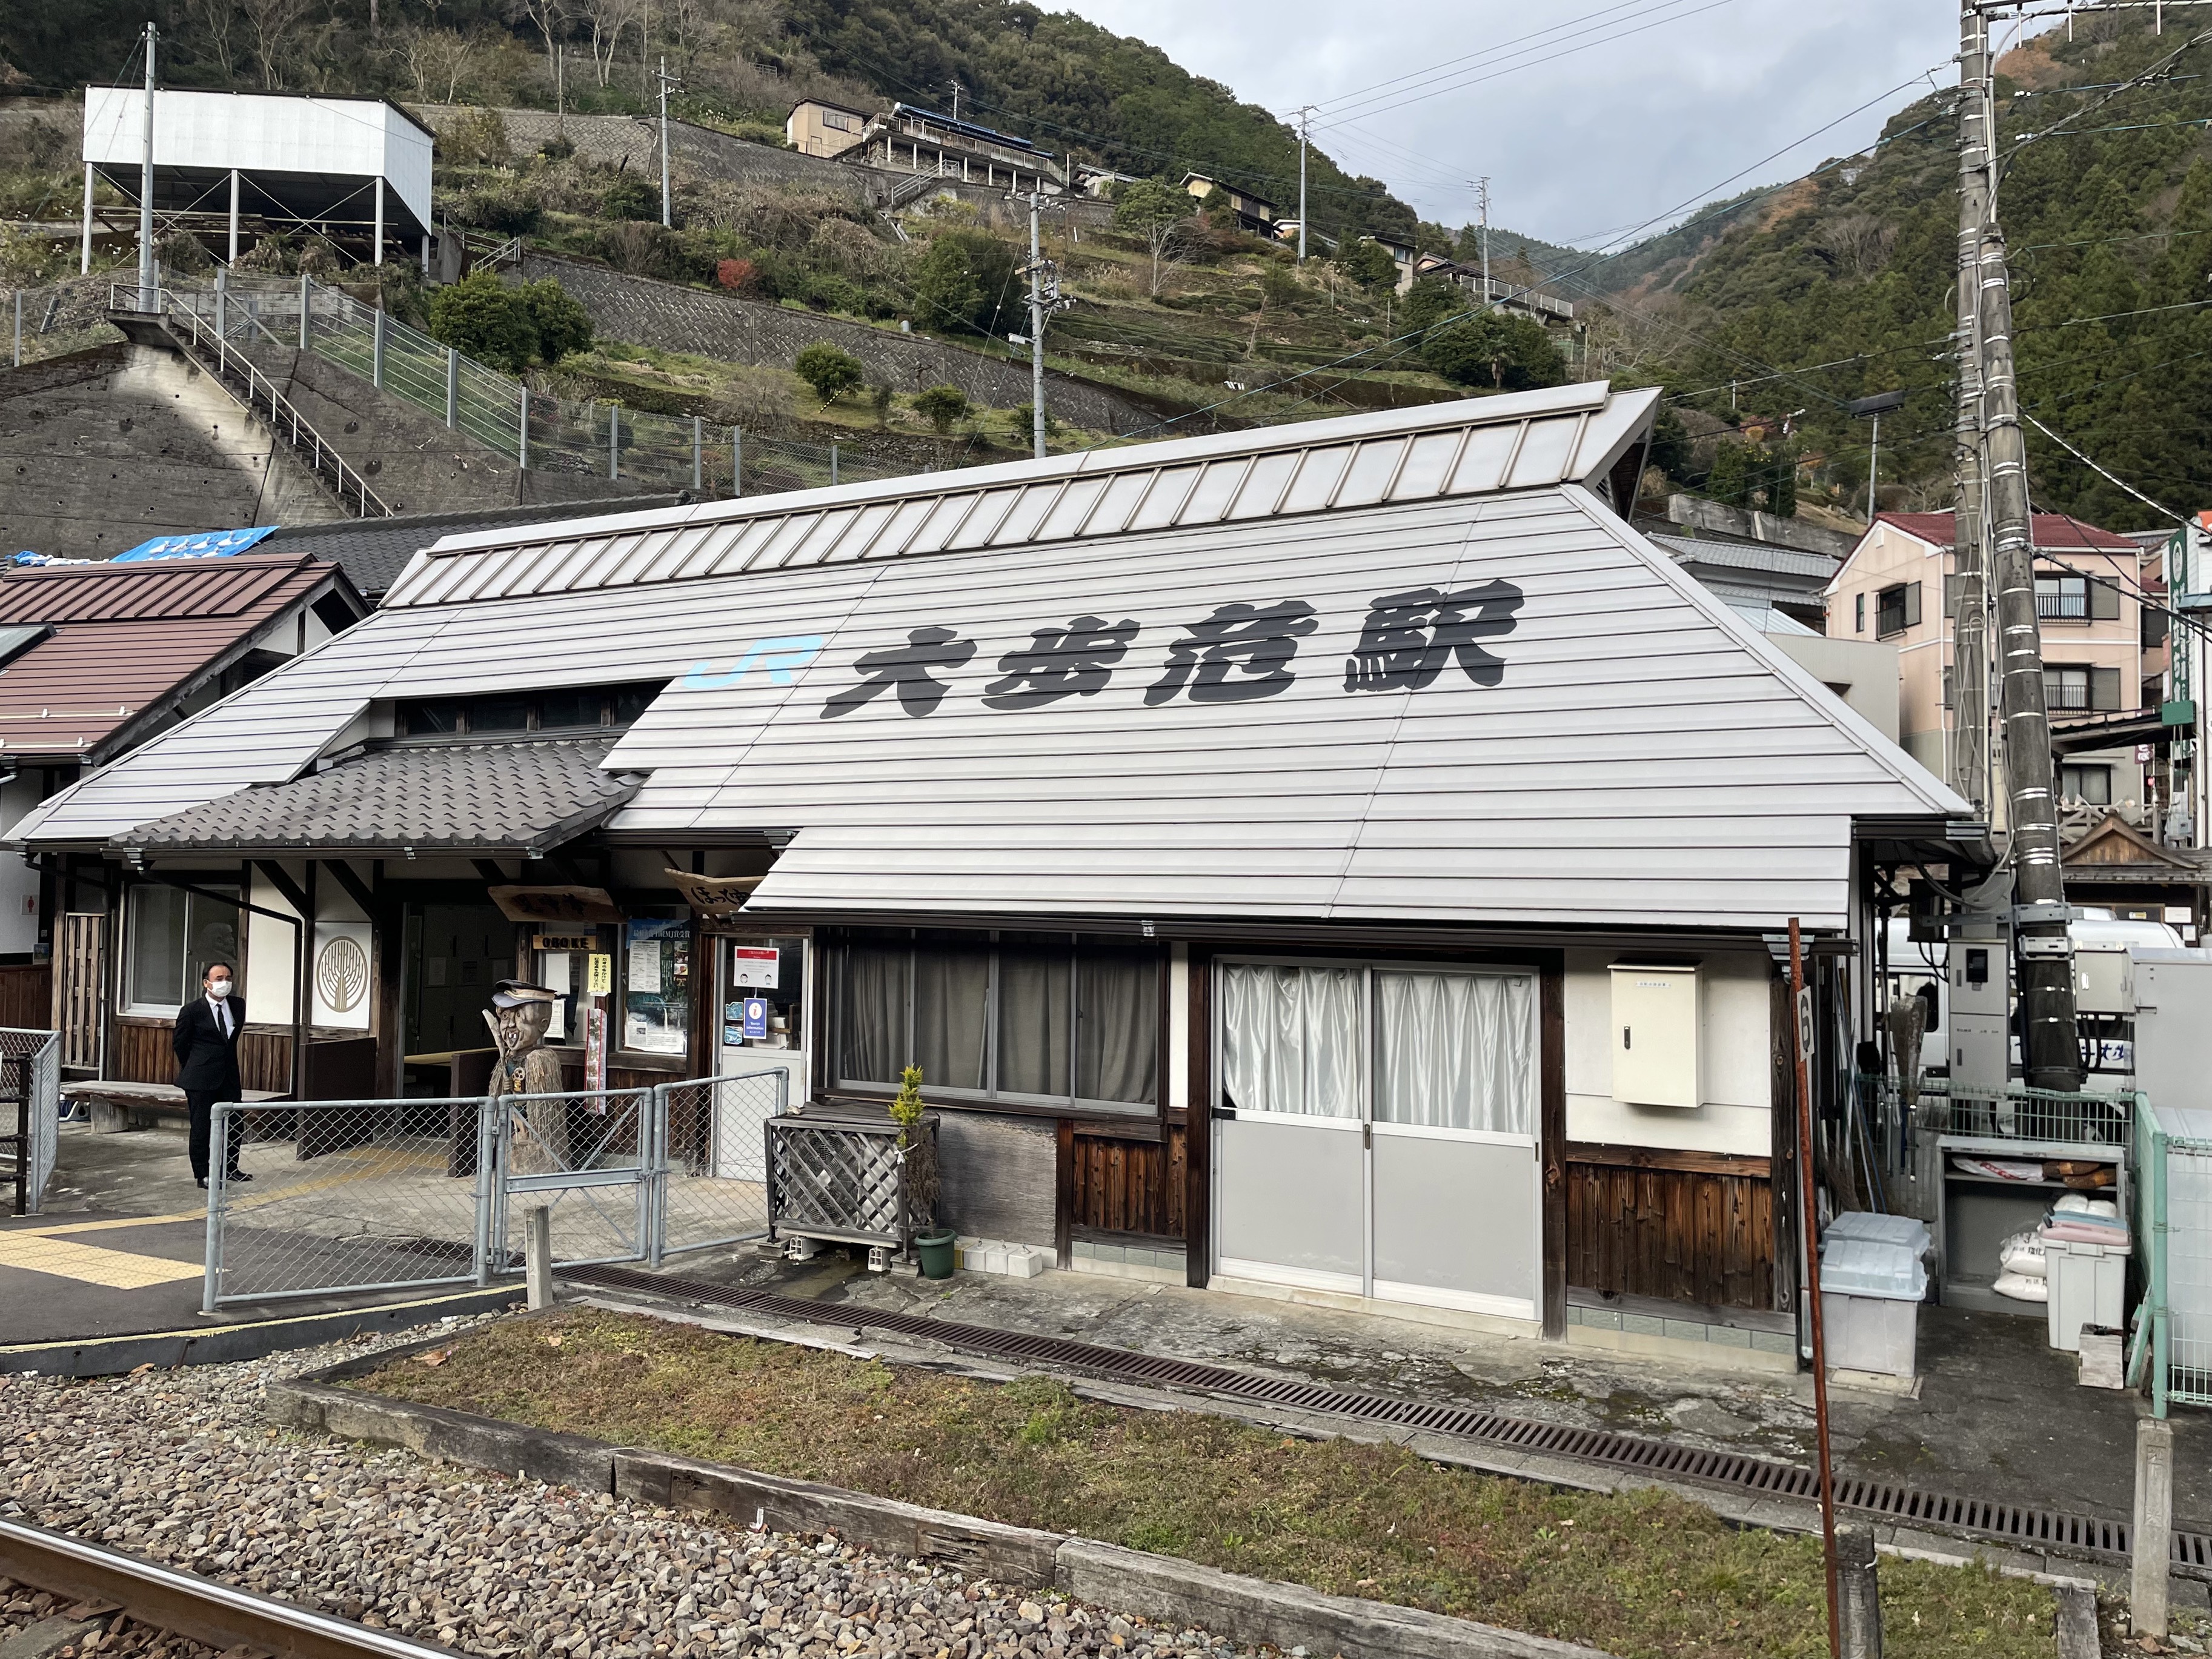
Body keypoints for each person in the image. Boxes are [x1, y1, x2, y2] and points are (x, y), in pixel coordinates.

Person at [174, 962, 252, 1189]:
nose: (224, 983)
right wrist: (194, 1065)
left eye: (228, 978)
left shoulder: (237, 1005)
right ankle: (203, 1174)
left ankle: (230, 1168)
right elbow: (180, 1044)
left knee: (234, 1123)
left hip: (228, 1075)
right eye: (219, 978)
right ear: (206, 983)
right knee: (201, 1127)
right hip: (200, 1078)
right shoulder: (192, 1010)